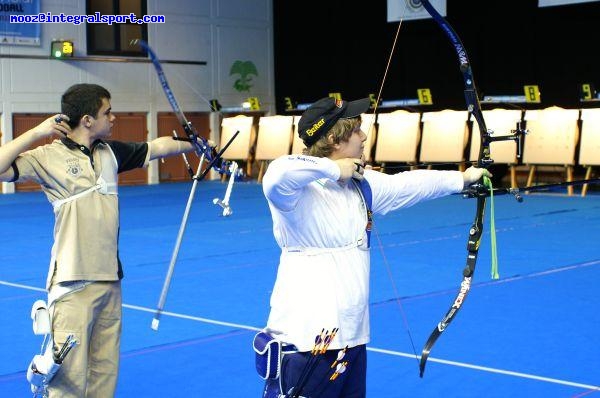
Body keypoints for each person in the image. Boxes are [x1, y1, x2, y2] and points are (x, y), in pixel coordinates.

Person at [259, 97, 490, 397]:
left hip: (352, 341)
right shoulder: (296, 192)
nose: (364, 136)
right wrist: (334, 169)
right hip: (306, 344)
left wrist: (462, 179)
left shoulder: (361, 185)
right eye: (356, 129)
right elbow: (277, 172)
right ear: (333, 138)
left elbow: (409, 184)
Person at [0, 83, 209, 397]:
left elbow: (157, 147)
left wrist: (195, 145)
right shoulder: (46, 156)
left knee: (104, 374)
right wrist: (35, 133)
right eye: (107, 112)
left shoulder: (110, 152)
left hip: (110, 280)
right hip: (72, 282)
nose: (113, 118)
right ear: (87, 119)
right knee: (66, 378)